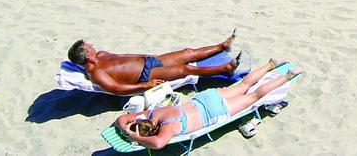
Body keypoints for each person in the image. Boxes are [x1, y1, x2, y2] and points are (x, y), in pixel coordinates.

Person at [113, 60, 301, 148]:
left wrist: (133, 136)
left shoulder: (166, 130)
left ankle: (287, 76)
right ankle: (269, 65)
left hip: (214, 111)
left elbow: (158, 143)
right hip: (205, 99)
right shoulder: (152, 114)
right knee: (245, 85)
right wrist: (127, 127)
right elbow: (123, 118)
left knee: (254, 96)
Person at [68, 32, 244, 96]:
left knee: (187, 53)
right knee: (186, 69)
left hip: (149, 61)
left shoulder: (101, 54)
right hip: (144, 76)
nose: (91, 45)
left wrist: (147, 56)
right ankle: (226, 69)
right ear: (87, 55)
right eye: (87, 46)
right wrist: (146, 84)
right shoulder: (96, 73)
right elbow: (117, 89)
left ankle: (223, 46)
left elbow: (125, 56)